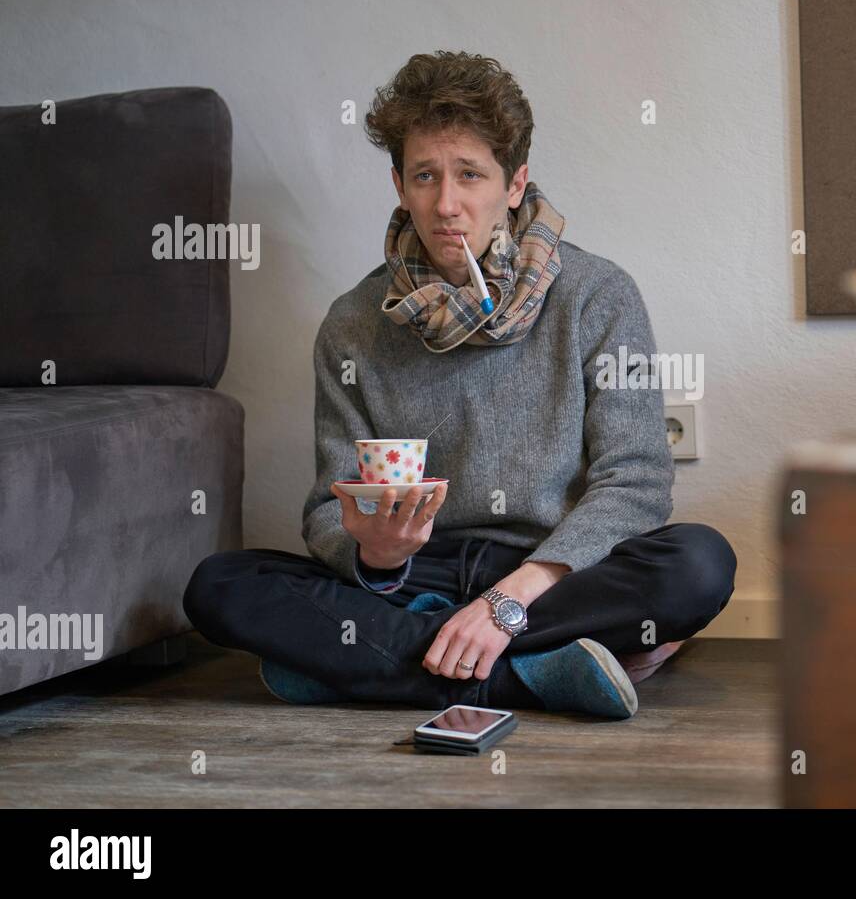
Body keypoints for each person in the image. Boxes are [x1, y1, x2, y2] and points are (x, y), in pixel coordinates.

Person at [183, 51, 737, 719]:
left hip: (551, 572)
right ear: (399, 183)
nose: (446, 205)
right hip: (416, 577)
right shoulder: (353, 325)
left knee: (699, 562)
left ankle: (371, 666)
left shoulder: (598, 297)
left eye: (469, 174)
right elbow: (329, 510)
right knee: (220, 585)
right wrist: (377, 556)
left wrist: (507, 602)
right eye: (425, 176)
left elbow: (637, 482)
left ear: (514, 183)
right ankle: (530, 675)